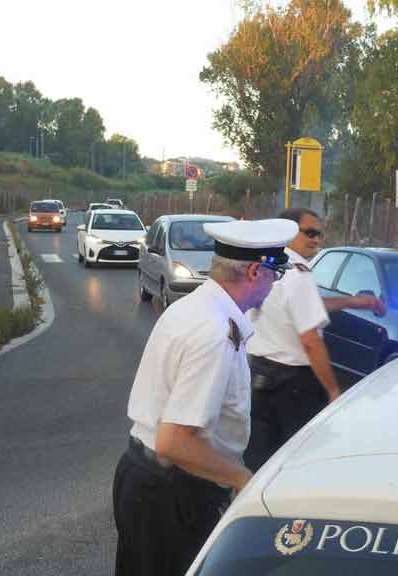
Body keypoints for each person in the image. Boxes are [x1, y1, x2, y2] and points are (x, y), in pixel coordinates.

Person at [112, 218, 298, 576]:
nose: (274, 286)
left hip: (144, 477)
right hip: (173, 493)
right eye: (275, 275)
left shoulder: (193, 307)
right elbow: (174, 443)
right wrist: (242, 479)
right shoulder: (214, 334)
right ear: (256, 272)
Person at [244, 208, 386, 472]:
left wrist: (355, 302)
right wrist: (332, 390)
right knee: (301, 461)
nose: (316, 240)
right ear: (288, 231)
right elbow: (310, 341)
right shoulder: (298, 273)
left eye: (319, 234)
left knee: (260, 459)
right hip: (293, 386)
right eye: (309, 233)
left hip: (259, 374)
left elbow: (302, 306)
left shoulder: (268, 265)